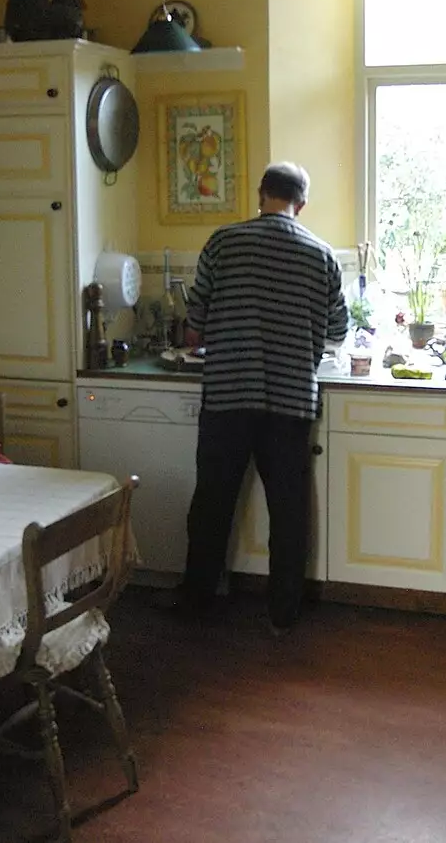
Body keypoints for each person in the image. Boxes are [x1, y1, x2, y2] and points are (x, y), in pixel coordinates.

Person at [174, 161, 348, 633]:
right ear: (301, 203)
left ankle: (197, 605)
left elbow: (196, 322)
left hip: (228, 396)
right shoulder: (322, 255)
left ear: (260, 194)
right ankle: (283, 613)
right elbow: (337, 330)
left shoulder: (222, 242)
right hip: (291, 401)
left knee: (212, 504)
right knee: (288, 510)